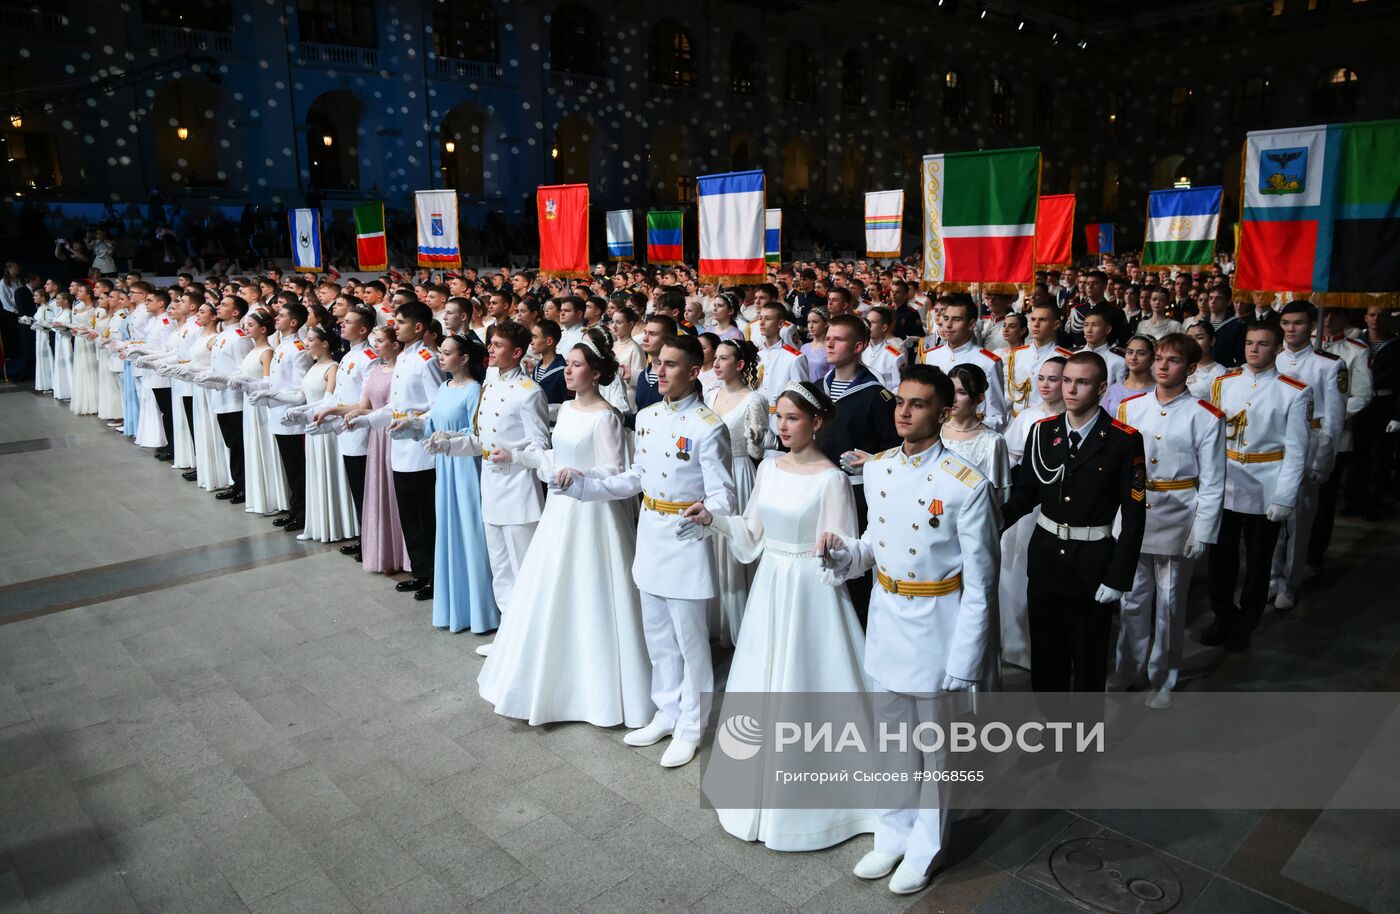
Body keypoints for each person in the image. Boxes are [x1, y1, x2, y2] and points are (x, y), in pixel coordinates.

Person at [816, 364, 999, 896]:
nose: (903, 410)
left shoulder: (966, 485)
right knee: (892, 738)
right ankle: (893, 831)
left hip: (938, 624)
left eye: (918, 404)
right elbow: (875, 542)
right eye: (900, 400)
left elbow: (982, 584)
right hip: (889, 615)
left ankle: (927, 846)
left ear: (943, 413)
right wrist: (844, 554)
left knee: (936, 749)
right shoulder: (878, 470)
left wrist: (966, 661)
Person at [692, 381, 873, 850]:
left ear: (816, 422)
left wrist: (833, 551)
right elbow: (751, 535)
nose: (783, 425)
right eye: (779, 416)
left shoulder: (833, 479)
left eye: (793, 417)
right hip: (771, 583)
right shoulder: (769, 468)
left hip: (810, 591)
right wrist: (714, 520)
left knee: (806, 682)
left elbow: (845, 550)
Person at [560, 334, 736, 768]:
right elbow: (636, 476)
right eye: (657, 362)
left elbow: (725, 497)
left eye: (670, 364)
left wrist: (706, 512)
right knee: (658, 636)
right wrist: (586, 485)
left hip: (685, 538)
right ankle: (666, 711)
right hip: (651, 533)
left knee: (691, 642)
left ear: (694, 371)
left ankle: (692, 727)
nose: (658, 370)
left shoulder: (708, 426)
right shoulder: (649, 417)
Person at [461, 329, 651, 726]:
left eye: (577, 365)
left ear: (596, 373)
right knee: (550, 585)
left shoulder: (607, 417)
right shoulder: (564, 409)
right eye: (568, 364)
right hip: (561, 510)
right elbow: (550, 455)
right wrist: (516, 455)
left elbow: (615, 473)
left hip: (594, 514)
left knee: (593, 589)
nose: (567, 371)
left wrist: (581, 476)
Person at [1002, 351, 1147, 693]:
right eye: (1066, 380)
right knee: (1046, 654)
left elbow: (1134, 516)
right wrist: (990, 522)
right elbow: (1026, 494)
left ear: (1101, 389)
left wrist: (1118, 576)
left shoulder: (1123, 440)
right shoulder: (1042, 432)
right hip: (1046, 557)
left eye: (1081, 382)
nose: (1070, 389)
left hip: (1091, 562)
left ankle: (1082, 735)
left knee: (1088, 657)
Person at [1112, 333, 1225, 708]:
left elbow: (1212, 481)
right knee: (1132, 600)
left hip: (1179, 513)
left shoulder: (1205, 416)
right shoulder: (1130, 408)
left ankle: (1163, 677)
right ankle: (1128, 669)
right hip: (1135, 512)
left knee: (1171, 603)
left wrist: (1204, 529)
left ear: (1191, 369)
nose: (1161, 365)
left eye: (1172, 360)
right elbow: (1117, 469)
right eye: (1158, 358)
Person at [431, 320, 548, 652]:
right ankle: (509, 637)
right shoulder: (490, 386)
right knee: (500, 568)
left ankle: (533, 642)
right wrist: (448, 444)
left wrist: (515, 455)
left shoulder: (529, 392)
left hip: (519, 490)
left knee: (524, 568)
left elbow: (540, 447)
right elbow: (481, 441)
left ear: (516, 352)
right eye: (491, 344)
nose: (491, 350)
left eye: (497, 345)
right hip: (491, 488)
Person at [1204, 320, 1311, 651]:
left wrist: (1285, 495)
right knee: (1220, 559)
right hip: (1226, 482)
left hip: (1265, 486)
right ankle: (1222, 614)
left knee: (1259, 559)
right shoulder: (1224, 383)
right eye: (1250, 342)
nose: (1253, 349)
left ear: (1278, 349)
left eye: (1263, 344)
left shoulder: (1294, 391)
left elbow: (1296, 450)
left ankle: (1247, 622)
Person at [346, 300, 446, 601]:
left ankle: (434, 576)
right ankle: (419, 571)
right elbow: (394, 406)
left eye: (400, 322)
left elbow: (437, 406)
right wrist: (368, 418)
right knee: (409, 515)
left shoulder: (427, 359)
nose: (395, 326)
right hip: (398, 447)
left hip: (420, 449)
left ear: (418, 327)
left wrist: (414, 422)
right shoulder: (402, 358)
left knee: (426, 516)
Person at [817, 314, 901, 624]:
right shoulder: (818, 387)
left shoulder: (877, 396)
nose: (829, 342)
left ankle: (858, 625)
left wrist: (871, 460)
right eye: (828, 337)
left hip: (857, 492)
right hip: (820, 487)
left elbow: (894, 449)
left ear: (858, 346)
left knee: (851, 560)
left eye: (837, 339)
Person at [418, 334, 499, 633]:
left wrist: (450, 437)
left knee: (469, 531)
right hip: (444, 465)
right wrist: (412, 426)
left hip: (464, 466)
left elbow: (475, 431)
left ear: (464, 358)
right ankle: (455, 606)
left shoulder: (474, 391)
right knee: (449, 530)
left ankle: (481, 611)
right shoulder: (443, 386)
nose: (441, 357)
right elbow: (432, 425)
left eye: (447, 353)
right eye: (440, 352)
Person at [1269, 301, 1345, 609]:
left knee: (1299, 521)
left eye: (1298, 323)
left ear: (1312, 325)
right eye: (1285, 323)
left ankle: (1291, 579)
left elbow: (1334, 419)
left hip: (1309, 444)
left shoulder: (1328, 364)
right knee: (1272, 518)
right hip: (1274, 448)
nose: (1290, 329)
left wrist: (1322, 460)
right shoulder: (1273, 358)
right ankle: (1272, 575)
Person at [316, 326, 410, 573]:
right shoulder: (377, 369)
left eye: (381, 341)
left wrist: (363, 414)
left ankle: (406, 556)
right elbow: (362, 403)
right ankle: (383, 550)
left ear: (396, 345)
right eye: (375, 340)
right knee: (377, 492)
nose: (376, 345)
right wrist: (331, 411)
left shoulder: (402, 370)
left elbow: (394, 407)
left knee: (395, 494)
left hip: (391, 432)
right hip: (376, 437)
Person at [999, 356, 1066, 670]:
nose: (1045, 385)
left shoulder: (1072, 418)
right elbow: (1012, 457)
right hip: (1027, 500)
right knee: (1015, 567)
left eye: (1054, 379)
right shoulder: (1027, 416)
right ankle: (1015, 644)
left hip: (1059, 504)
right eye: (1042, 378)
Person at [703, 340, 770, 646]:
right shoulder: (710, 394)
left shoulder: (754, 399)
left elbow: (756, 450)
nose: (716, 364)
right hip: (711, 474)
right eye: (715, 358)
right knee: (710, 547)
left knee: (734, 545)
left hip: (740, 472)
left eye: (724, 359)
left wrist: (756, 437)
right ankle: (712, 620)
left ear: (740, 365)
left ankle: (739, 624)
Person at [241, 302, 313, 531]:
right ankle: (295, 510)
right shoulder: (281, 344)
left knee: (297, 469)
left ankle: (303, 513)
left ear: (293, 322)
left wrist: (273, 393)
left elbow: (300, 391)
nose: (277, 318)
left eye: (281, 315)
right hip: (277, 413)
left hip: (290, 418)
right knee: (289, 468)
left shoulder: (299, 349)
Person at [288, 325, 359, 543]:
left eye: (311, 340)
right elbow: (303, 395)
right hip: (313, 424)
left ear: (325, 343)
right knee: (315, 471)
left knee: (329, 471)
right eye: (306, 339)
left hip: (326, 426)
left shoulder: (333, 367)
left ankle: (339, 525)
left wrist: (307, 410)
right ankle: (318, 524)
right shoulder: (312, 367)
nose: (306, 343)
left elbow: (329, 400)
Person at [1312, 311, 1373, 560]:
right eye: (1323, 314)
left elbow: (1361, 395)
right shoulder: (1307, 345)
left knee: (1324, 499)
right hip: (1298, 433)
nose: (1327, 320)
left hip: (1334, 433)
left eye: (1334, 315)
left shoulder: (1355, 350)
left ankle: (1315, 551)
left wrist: (1331, 418)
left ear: (1345, 318)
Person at [920, 294, 1008, 431]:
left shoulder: (987, 361)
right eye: (946, 318)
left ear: (971, 324)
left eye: (956, 319)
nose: (948, 325)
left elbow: (996, 416)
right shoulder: (930, 356)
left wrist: (972, 433)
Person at [754, 301, 809, 452]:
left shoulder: (794, 358)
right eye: (760, 318)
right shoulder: (757, 356)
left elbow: (801, 398)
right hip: (757, 421)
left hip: (780, 424)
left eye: (768, 319)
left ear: (780, 324)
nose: (762, 323)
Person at [1006, 301, 1073, 414]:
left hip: (1048, 420)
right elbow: (1009, 393)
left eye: (1042, 320)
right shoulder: (1016, 354)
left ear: (1056, 324)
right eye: (1033, 319)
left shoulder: (1066, 358)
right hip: (1016, 420)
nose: (1036, 324)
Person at [1102, 334, 1156, 416]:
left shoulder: (1159, 391)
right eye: (1130, 352)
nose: (1133, 357)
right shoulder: (1113, 390)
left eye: (1141, 353)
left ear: (1152, 358)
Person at [1078, 306, 1127, 388]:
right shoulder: (1073, 355)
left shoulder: (1119, 361)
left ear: (1108, 329)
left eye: (1095, 325)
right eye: (1086, 325)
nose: (1089, 330)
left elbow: (1120, 393)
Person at [528, 320, 567, 419]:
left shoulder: (563, 371)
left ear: (549, 341)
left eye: (535, 337)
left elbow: (567, 403)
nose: (532, 342)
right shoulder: (538, 366)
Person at [1185, 320, 1227, 400]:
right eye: (1189, 339)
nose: (1193, 342)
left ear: (1212, 340)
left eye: (1199, 338)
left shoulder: (1220, 373)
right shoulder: (1179, 367)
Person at [801, 307, 831, 381]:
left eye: (815, 322)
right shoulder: (804, 348)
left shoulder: (831, 348)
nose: (810, 326)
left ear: (826, 324)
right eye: (808, 322)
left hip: (821, 391)